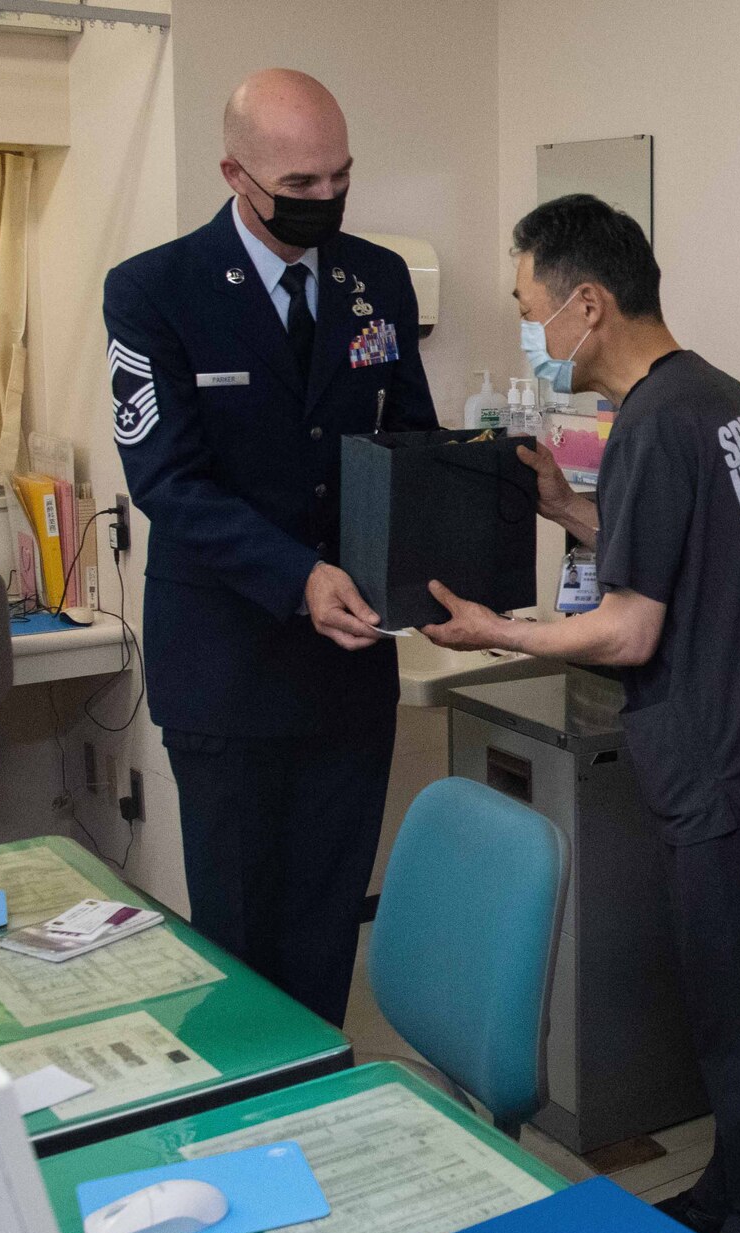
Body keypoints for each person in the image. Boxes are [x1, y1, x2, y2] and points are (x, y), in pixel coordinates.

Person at [421, 194, 740, 1233]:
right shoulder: (714, 397)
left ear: (587, 305)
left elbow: (629, 627)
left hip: (725, 770)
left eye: (528, 310)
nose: (528, 334)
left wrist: (495, 632)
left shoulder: (654, 422)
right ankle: (737, 1190)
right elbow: (672, 548)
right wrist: (563, 505)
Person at [104, 69, 436, 1025]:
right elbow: (169, 481)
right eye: (301, 188)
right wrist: (299, 577)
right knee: (242, 946)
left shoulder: (374, 277)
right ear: (234, 173)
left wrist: (464, 523)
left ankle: (313, 1129)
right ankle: (244, 1143)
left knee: (327, 938)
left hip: (350, 676)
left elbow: (405, 442)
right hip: (228, 674)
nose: (326, 201)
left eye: (341, 180)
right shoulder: (153, 293)